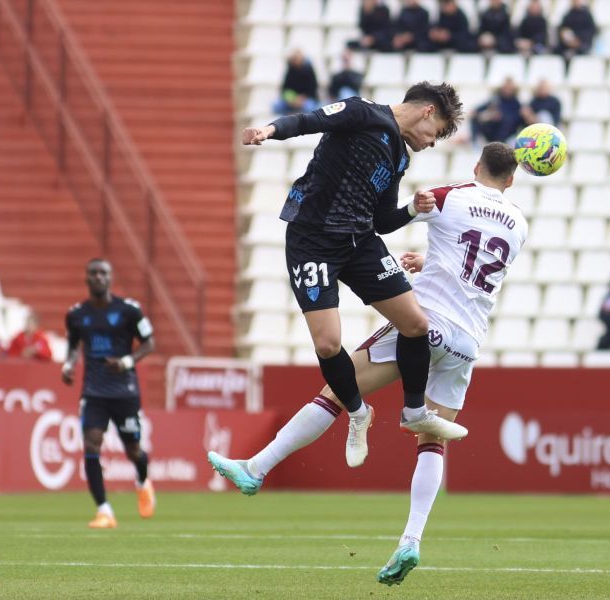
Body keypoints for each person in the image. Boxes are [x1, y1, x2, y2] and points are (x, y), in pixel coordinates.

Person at [208, 142, 528, 587]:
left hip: (424, 323)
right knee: (431, 443)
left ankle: (257, 468)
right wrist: (430, 262)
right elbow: (471, 263)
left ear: (476, 167)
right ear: (511, 179)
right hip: (467, 341)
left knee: (336, 391)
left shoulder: (450, 194)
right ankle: (411, 540)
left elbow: (389, 220)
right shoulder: (520, 223)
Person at [240, 82, 467, 445]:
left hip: (360, 242)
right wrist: (269, 131)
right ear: (427, 111)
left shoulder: (399, 157)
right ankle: (359, 414)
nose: (431, 142)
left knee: (415, 324)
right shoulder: (363, 112)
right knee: (328, 345)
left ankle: (413, 414)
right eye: (436, 133)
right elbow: (309, 120)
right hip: (312, 241)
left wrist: (412, 209)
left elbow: (382, 222)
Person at [62, 258, 157, 529]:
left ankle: (142, 482)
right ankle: (104, 511)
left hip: (124, 391)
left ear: (110, 277)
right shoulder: (77, 314)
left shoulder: (129, 310)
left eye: (103, 273)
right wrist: (68, 365)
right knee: (91, 445)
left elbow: (150, 342)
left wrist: (126, 362)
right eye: (93, 273)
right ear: (86, 279)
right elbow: (73, 346)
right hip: (93, 391)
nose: (98, 277)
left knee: (134, 450)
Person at [471, 77, 523, 144]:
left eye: (509, 88)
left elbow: (516, 119)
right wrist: (488, 115)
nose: (507, 90)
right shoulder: (496, 99)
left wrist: (501, 116)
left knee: (506, 121)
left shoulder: (516, 103)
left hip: (507, 133)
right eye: (506, 87)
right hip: (492, 129)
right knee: (476, 118)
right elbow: (478, 110)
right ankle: (475, 142)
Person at [273, 49, 320, 116]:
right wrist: (291, 99)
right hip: (292, 100)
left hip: (306, 99)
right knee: (277, 106)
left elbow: (312, 89)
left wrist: (302, 98)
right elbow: (285, 89)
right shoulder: (290, 70)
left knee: (310, 107)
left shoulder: (309, 70)